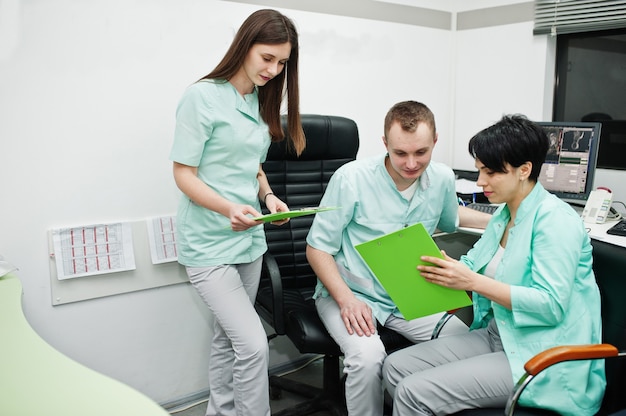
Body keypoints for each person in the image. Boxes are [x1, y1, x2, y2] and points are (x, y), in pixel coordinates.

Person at [383, 115, 605, 416]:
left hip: (544, 353)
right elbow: (472, 265)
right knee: (395, 366)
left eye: (491, 173)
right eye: (479, 171)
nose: (480, 182)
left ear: (524, 170)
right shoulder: (503, 217)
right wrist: (443, 269)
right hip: (499, 334)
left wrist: (470, 281)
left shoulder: (555, 221)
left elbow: (550, 304)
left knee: (413, 392)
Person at [305, 100, 491, 416]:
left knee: (464, 342)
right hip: (350, 294)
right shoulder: (351, 178)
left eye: (421, 153)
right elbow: (318, 248)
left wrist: (510, 218)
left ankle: (414, 403)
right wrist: (347, 300)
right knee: (368, 357)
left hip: (408, 292)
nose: (410, 163)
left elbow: (451, 220)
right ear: (385, 144)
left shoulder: (443, 178)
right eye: (400, 153)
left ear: (435, 142)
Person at [169, 9, 305, 416]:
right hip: (208, 243)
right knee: (252, 344)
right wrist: (229, 207)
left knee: (227, 340)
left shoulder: (259, 101)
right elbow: (183, 174)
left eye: (282, 63)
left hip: (249, 240)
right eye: (267, 58)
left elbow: (253, 166)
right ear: (245, 45)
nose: (273, 69)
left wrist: (268, 198)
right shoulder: (202, 97)